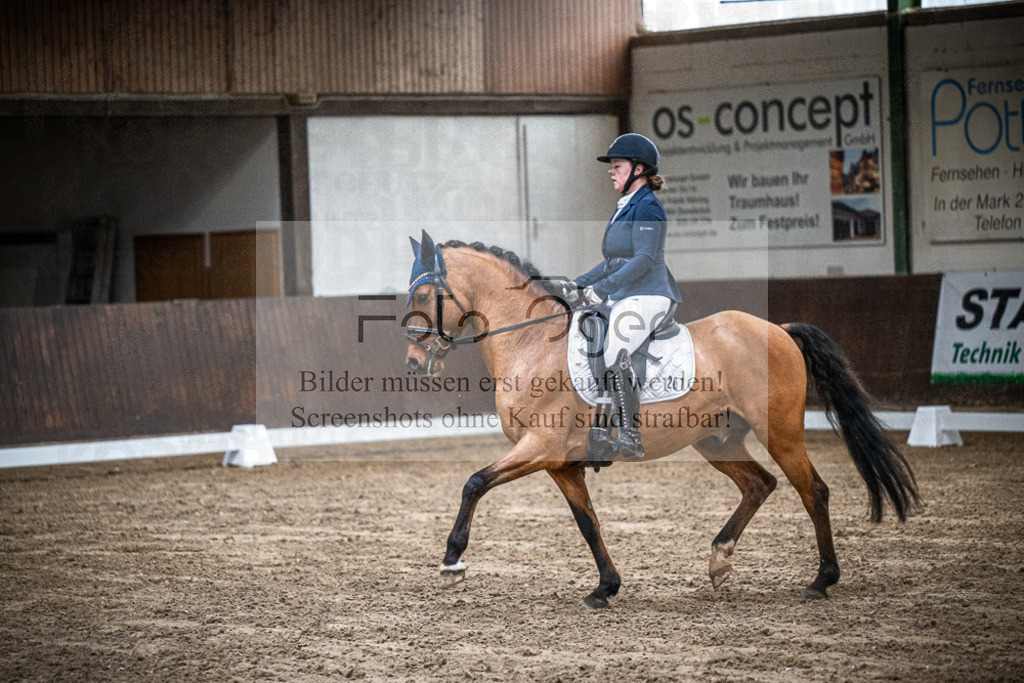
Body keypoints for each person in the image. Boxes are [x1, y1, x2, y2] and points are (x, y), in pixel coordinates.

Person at [566, 133, 682, 462]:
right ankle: (600, 429)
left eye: (617, 166)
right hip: (627, 293)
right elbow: (612, 262)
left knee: (615, 348)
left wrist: (600, 290)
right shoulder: (626, 206)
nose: (611, 171)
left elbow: (644, 259)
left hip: (650, 293)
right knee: (595, 340)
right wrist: (576, 285)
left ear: (639, 169)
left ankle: (629, 433)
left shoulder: (648, 207)